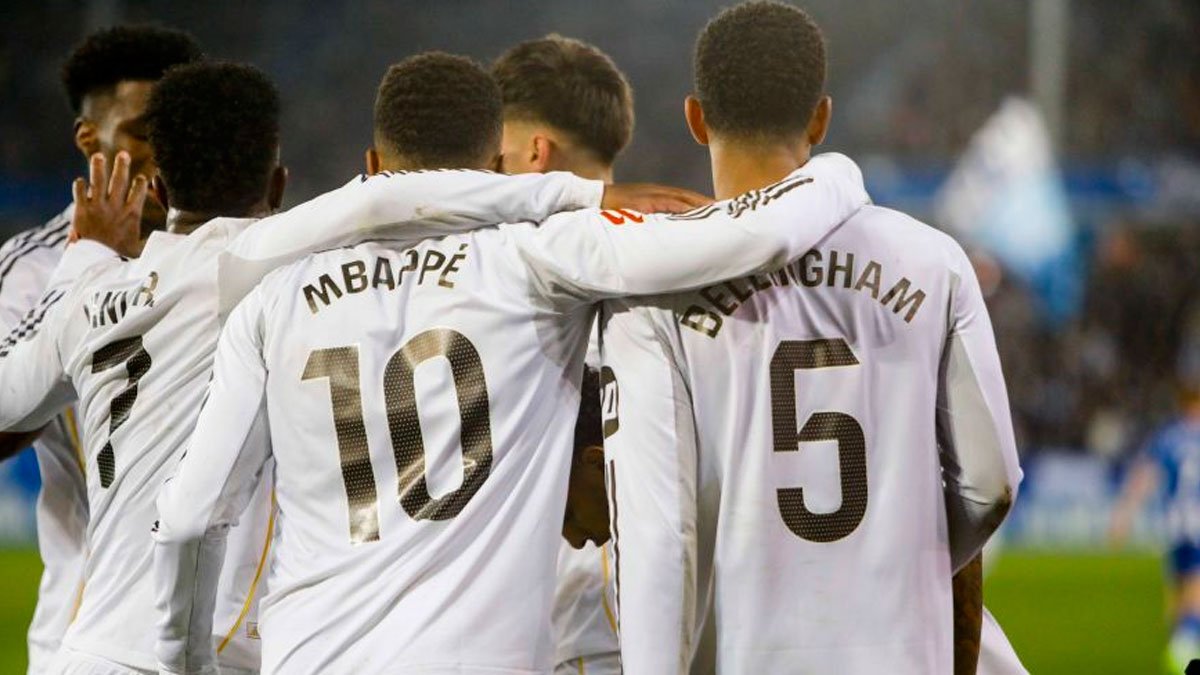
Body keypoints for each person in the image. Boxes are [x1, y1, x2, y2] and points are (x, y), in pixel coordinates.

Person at [150, 51, 867, 674]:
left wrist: (185, 663)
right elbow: (756, 237)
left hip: (311, 658)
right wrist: (837, 175)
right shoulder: (539, 260)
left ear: (371, 167)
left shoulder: (271, 300)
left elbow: (187, 519)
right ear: (497, 164)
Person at [0, 57, 656, 674]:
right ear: (279, 183)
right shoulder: (264, 269)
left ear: (161, 184)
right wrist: (578, 196)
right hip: (226, 643)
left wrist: (83, 262)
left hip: (82, 644)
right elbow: (381, 203)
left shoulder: (88, 295)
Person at [600, 3, 1023, 674]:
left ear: (696, 118)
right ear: (821, 118)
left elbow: (657, 533)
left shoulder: (653, 292)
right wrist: (897, 563)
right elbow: (991, 485)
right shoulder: (934, 261)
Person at [0, 24, 202, 674]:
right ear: (91, 139)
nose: (164, 154)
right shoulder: (34, 267)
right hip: (91, 637)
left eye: (179, 130)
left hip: (223, 639)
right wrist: (88, 276)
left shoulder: (226, 250)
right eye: (143, 133)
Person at [492, 34, 633, 675]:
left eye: (495, 157)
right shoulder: (681, 257)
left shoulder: (497, 275)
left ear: (534, 152)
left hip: (567, 619)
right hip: (669, 611)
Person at [1110, 386, 1200, 671]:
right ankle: (1182, 648)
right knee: (1196, 590)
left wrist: (1123, 514)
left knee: (1177, 588)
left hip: (1175, 524)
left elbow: (1145, 476)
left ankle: (1177, 645)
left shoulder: (1169, 437)